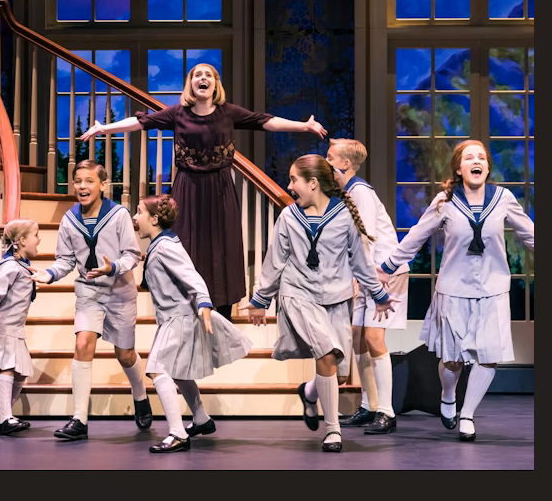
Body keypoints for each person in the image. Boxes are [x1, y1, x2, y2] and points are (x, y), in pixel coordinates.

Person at [80, 63, 327, 320]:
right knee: (186, 246)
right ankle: (185, 309)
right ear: (190, 83)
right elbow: (142, 122)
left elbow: (264, 121)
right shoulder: (178, 113)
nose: (203, 78)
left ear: (215, 84)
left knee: (222, 247)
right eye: (197, 75)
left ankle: (222, 314)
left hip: (220, 189)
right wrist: (104, 128)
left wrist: (303, 126)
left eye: (208, 75)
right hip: (187, 189)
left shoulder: (227, 112)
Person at [238, 154, 398, 452]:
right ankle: (333, 430)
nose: (290, 186)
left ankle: (309, 393)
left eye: (294, 180)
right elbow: (275, 260)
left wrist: (379, 295)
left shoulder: (344, 216)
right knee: (326, 354)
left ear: (313, 183)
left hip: (336, 299)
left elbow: (361, 262)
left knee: (337, 370)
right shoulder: (289, 217)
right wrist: (260, 299)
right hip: (299, 296)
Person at [377, 140, 533, 441]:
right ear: (459, 169)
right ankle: (448, 395)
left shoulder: (503, 198)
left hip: (493, 288)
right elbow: (417, 236)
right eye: (469, 157)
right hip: (454, 289)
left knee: (488, 356)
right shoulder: (445, 201)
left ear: (487, 166)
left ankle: (467, 414)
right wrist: (387, 266)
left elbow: (530, 233)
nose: (476, 162)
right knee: (452, 359)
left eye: (481, 158)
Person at [31, 160, 151, 440]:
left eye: (89, 181)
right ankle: (79, 420)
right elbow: (65, 260)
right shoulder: (69, 219)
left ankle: (140, 395)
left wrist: (112, 267)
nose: (82, 187)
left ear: (103, 185)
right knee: (82, 343)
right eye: (78, 181)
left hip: (120, 292)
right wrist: (50, 274)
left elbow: (132, 254)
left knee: (124, 354)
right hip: (88, 291)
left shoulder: (118, 215)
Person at [133, 194, 252, 453]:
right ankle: (201, 419)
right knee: (178, 371)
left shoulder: (165, 247)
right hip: (173, 318)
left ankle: (177, 434)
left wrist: (204, 303)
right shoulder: (159, 244)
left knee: (157, 370)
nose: (135, 216)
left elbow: (193, 277)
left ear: (154, 219)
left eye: (139, 212)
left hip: (179, 318)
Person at [326, 139, 409, 434]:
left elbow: (366, 237)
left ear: (345, 164)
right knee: (358, 337)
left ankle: (386, 411)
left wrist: (364, 280)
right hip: (366, 273)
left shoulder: (360, 191)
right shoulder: (348, 192)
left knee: (373, 338)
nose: (327, 161)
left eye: (330, 157)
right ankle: (368, 405)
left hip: (383, 273)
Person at [0, 219, 41, 435]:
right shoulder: (11, 266)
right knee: (9, 367)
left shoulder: (22, 266)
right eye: (35, 235)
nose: (39, 239)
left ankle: (4, 412)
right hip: (2, 325)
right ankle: (5, 418)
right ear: (22, 241)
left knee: (21, 373)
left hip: (14, 327)